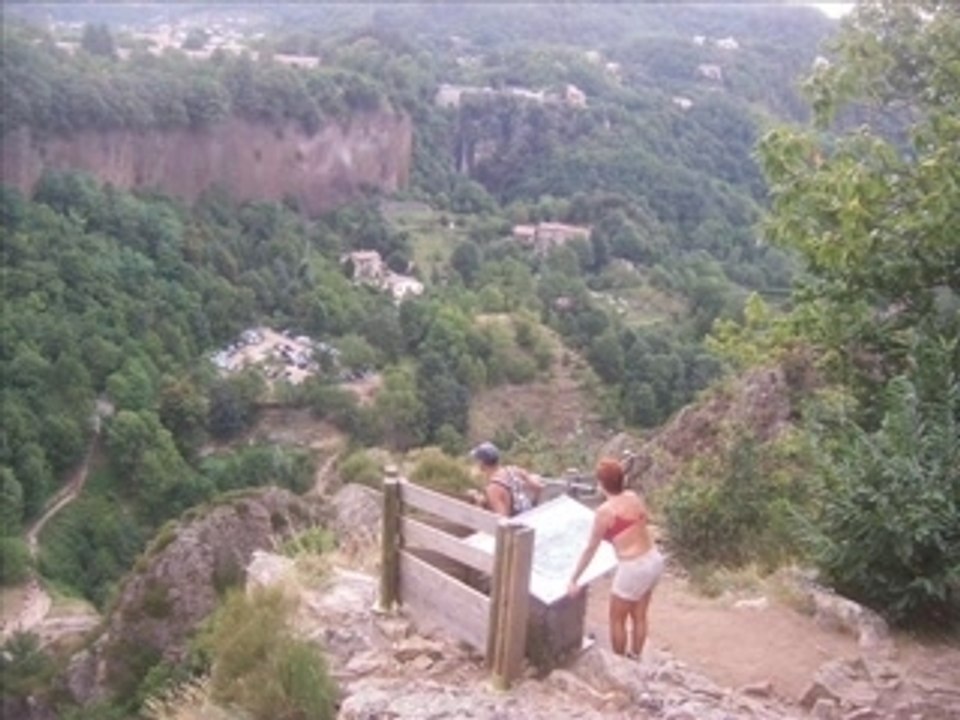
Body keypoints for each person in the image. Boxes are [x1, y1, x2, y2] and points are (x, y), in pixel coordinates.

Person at [568, 457, 663, 659]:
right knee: (639, 614)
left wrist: (574, 578)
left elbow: (591, 549)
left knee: (616, 618)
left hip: (633, 567)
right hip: (653, 559)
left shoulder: (605, 512)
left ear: (601, 484)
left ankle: (620, 663)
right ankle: (635, 656)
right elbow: (640, 522)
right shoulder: (633, 497)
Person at [467, 441, 544, 517]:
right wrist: (534, 505)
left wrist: (479, 505)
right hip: (531, 517)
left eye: (477, 461)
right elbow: (538, 487)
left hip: (519, 523)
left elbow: (502, 519)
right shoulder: (514, 470)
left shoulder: (493, 488)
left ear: (482, 463)